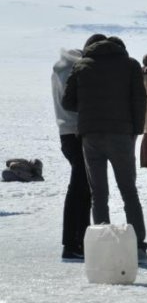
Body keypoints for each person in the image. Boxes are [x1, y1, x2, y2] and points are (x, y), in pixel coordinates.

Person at [61, 34, 147, 263]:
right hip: (122, 136)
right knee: (129, 191)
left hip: (91, 136)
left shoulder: (82, 65)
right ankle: (138, 247)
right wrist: (135, 131)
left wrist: (89, 107)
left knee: (98, 195)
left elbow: (67, 102)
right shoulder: (130, 65)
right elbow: (140, 100)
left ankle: (103, 248)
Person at [52, 47, 90, 261]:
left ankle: (79, 240)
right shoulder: (76, 69)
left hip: (65, 132)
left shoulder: (59, 68)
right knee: (79, 189)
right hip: (77, 131)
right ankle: (73, 242)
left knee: (82, 188)